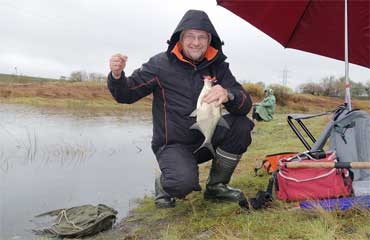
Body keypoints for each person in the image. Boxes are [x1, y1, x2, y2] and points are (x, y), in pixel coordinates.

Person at [108, 9, 254, 208]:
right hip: (173, 145)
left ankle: (216, 187)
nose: (196, 42)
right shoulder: (160, 64)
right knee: (181, 184)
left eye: (202, 37)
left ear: (210, 39)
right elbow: (126, 95)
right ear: (180, 38)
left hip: (206, 139)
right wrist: (117, 76)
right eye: (190, 36)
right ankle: (165, 182)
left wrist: (229, 94)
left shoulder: (218, 66)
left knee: (242, 126)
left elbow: (245, 104)